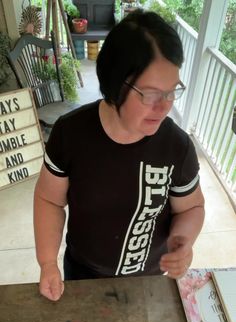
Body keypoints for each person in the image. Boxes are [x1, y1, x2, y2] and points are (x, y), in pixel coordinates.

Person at [34, 9, 205, 301]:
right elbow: (49, 199)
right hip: (83, 274)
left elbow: (191, 208)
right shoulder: (70, 134)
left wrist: (182, 243)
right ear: (116, 83)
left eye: (171, 91)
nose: (164, 106)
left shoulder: (176, 147)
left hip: (149, 281)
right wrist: (48, 263)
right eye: (151, 94)